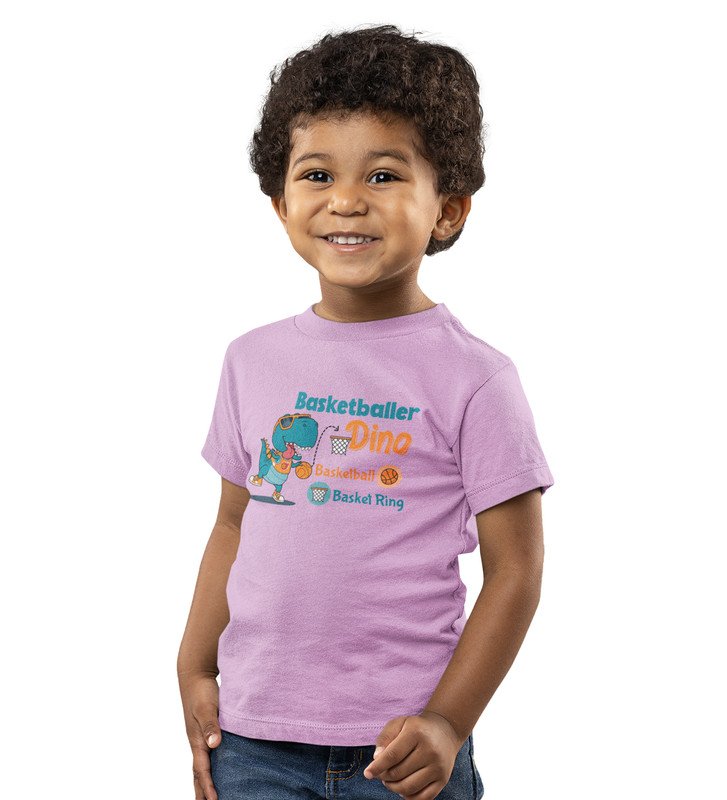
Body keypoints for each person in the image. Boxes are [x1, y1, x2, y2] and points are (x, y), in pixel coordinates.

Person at [177, 24, 555, 800]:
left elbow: (514, 570)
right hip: (251, 740)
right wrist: (193, 664)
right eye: (317, 174)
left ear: (446, 209)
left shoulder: (476, 378)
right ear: (281, 203)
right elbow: (233, 524)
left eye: (382, 175)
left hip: (403, 750)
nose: (345, 199)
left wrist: (447, 721)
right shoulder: (251, 360)